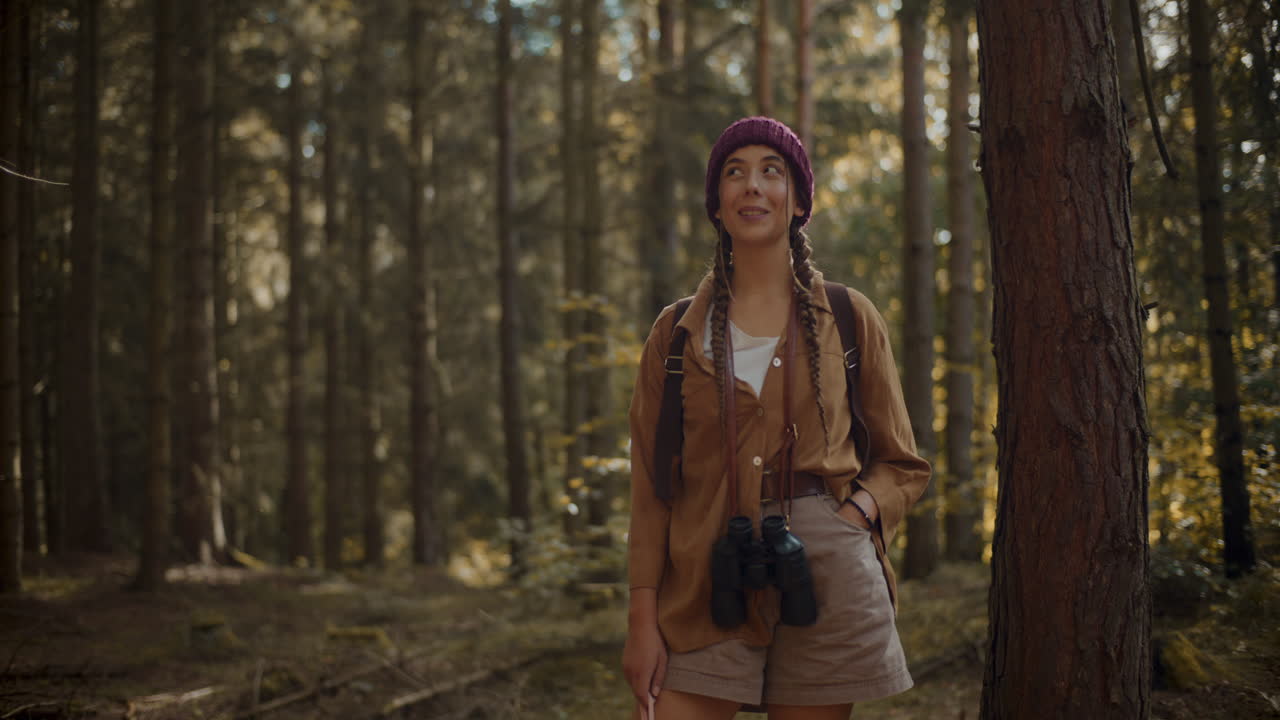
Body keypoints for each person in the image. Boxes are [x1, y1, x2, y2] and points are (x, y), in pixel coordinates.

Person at [622, 116, 932, 720]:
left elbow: (901, 463)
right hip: (704, 573)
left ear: (799, 202)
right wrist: (641, 618)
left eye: (772, 172)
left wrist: (850, 519)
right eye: (734, 173)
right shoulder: (676, 332)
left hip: (827, 577)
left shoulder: (849, 316)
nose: (752, 186)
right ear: (717, 204)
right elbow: (651, 487)